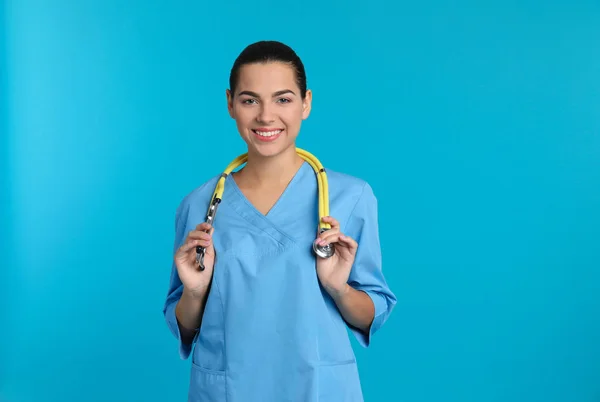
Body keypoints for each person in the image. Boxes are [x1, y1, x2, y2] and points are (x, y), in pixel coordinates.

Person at [162, 40, 396, 401]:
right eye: (249, 100)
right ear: (230, 104)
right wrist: (194, 291)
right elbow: (185, 327)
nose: (266, 116)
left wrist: (338, 287)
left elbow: (369, 316)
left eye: (283, 99)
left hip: (317, 391)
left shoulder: (350, 197)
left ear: (306, 103)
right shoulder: (198, 206)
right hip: (229, 391)